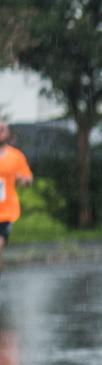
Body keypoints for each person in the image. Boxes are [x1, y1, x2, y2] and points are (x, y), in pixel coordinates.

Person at [0, 120, 33, 280]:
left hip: (6, 210)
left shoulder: (16, 156)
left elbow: (28, 179)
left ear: (8, 134)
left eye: (2, 129)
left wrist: (24, 180)